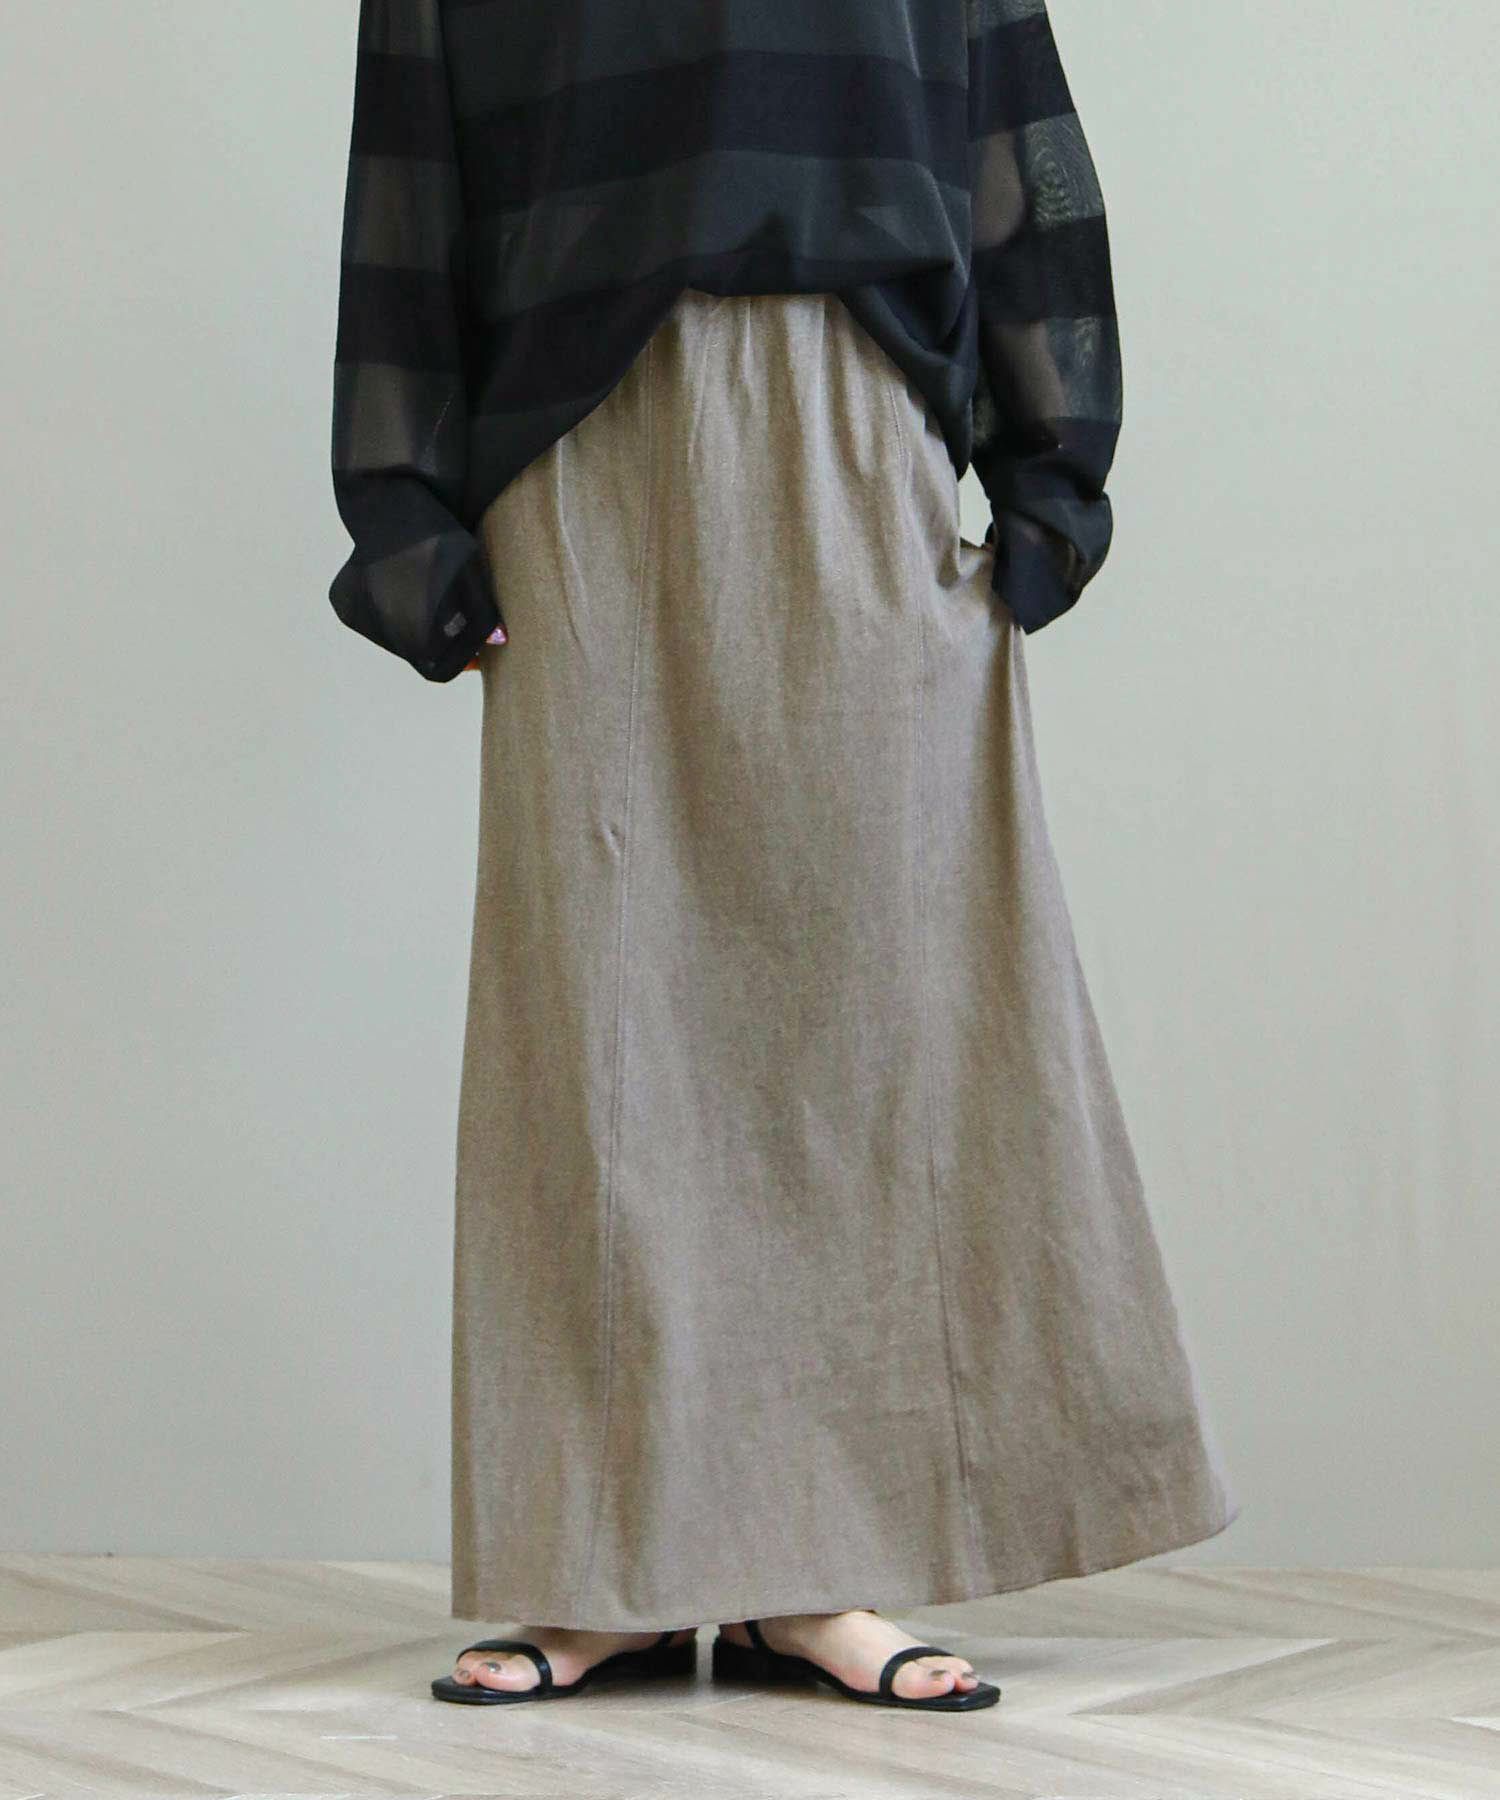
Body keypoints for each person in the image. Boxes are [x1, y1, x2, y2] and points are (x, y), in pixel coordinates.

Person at [328, 0, 1238, 1715]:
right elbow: (409, 179)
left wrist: (1053, 478)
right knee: (594, 1030)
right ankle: (599, 1565)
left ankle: (809, 1569)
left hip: (857, 420)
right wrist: (408, 523)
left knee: (856, 1026)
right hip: (575, 446)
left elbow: (1017, 133)